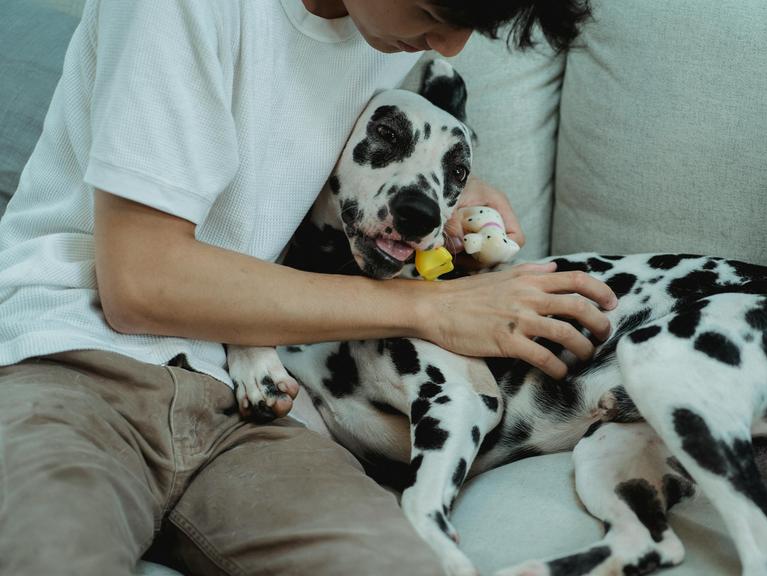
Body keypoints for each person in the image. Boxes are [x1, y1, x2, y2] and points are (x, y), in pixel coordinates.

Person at [0, 0, 612, 574]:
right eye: (434, 11)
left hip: (257, 400)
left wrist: (457, 191)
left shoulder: (389, 40)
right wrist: (432, 307)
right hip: (75, 363)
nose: (450, 46)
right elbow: (141, 284)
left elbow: (332, 149)